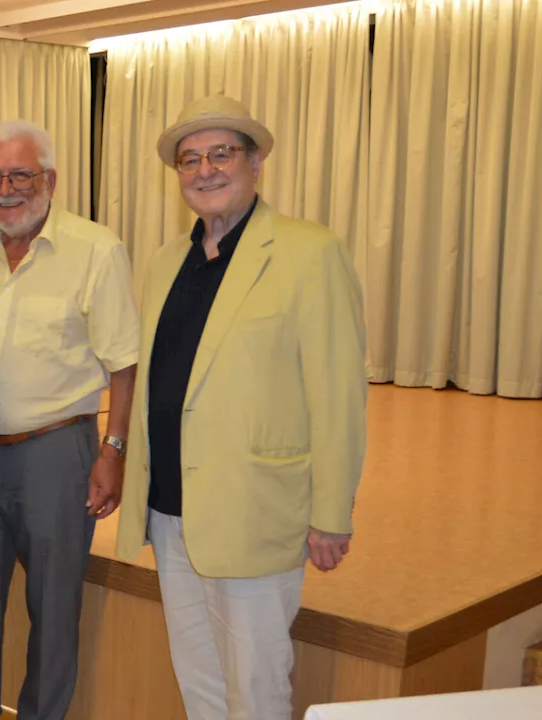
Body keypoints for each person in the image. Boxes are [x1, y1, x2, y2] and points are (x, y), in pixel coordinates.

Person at [115, 94, 368, 720]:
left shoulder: (310, 253)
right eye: (189, 159)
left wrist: (332, 511)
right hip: (172, 510)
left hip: (254, 509)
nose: (205, 170)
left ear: (255, 162)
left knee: (254, 687)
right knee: (198, 679)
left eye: (221, 153)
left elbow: (338, 394)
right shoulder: (165, 261)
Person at [0, 120, 141, 720]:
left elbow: (125, 362)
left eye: (20, 175)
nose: (6, 190)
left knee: (53, 610)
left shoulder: (95, 249)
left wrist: (114, 448)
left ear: (50, 180)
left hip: (57, 454)